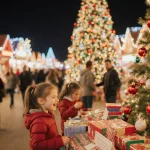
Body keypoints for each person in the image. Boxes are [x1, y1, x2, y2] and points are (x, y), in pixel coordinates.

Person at [24, 82, 70, 150]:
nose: (57, 100)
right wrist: (60, 141)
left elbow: (50, 136)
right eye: (53, 97)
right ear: (41, 101)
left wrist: (60, 139)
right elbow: (37, 145)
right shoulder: (39, 122)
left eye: (57, 97)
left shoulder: (47, 115)